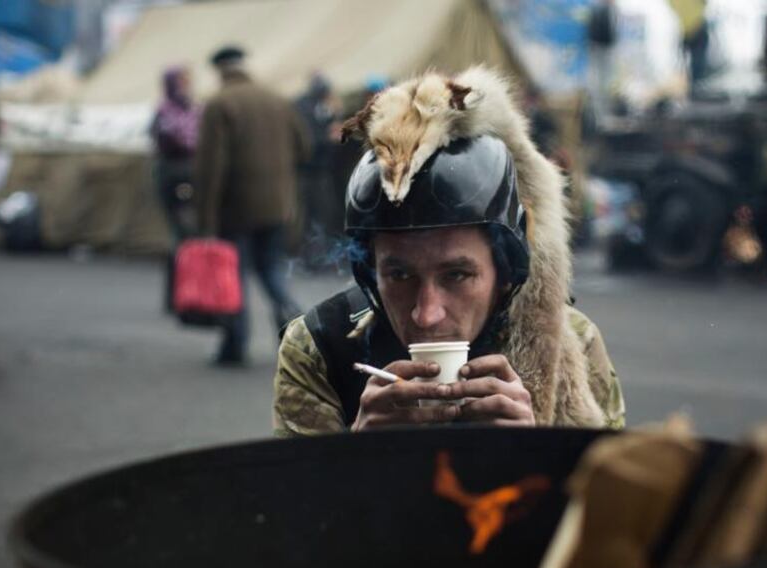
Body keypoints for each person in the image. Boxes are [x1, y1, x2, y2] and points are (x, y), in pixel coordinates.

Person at [272, 135, 625, 435]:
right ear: (370, 272)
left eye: (456, 275)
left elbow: (614, 510)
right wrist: (357, 456)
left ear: (505, 272)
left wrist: (533, 454)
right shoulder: (321, 347)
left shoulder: (567, 345)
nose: (426, 315)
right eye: (400, 276)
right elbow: (292, 513)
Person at [193, 46, 310, 366]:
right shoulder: (277, 99)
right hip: (277, 207)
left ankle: (235, 344)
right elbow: (304, 148)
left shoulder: (220, 104)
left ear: (220, 71)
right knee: (271, 271)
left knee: (234, 277)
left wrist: (205, 219)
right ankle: (300, 332)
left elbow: (210, 168)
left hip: (236, 210)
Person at [294, 72, 343, 268]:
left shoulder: (319, 107)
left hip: (320, 171)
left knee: (321, 216)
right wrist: (328, 137)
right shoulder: (305, 108)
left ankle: (319, 257)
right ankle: (313, 258)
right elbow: (309, 141)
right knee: (313, 217)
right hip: (310, 171)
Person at [151, 65, 200, 241]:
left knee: (184, 222)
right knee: (182, 220)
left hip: (181, 172)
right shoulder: (170, 111)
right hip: (179, 172)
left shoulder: (189, 108)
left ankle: (186, 257)